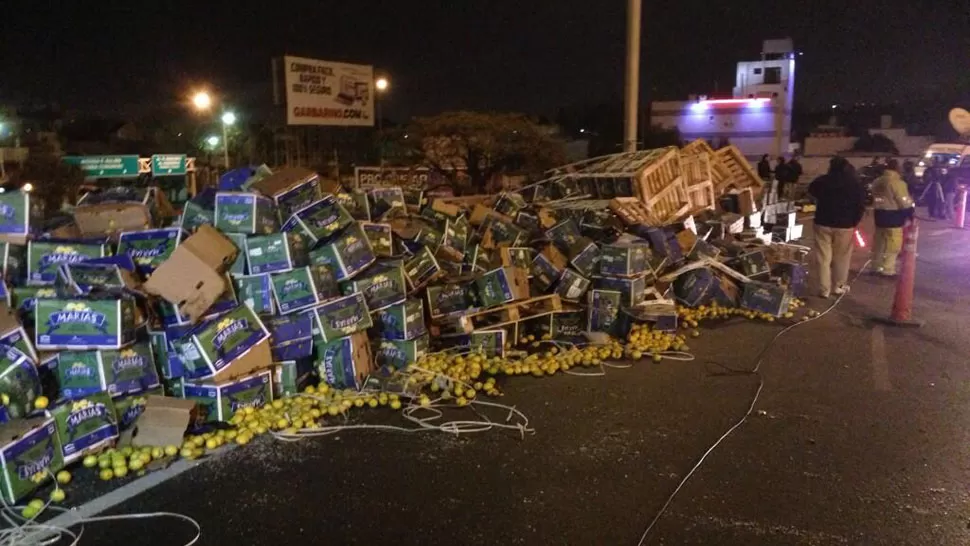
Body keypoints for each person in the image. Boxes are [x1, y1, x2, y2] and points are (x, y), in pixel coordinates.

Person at [808, 156, 868, 298]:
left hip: (822, 222)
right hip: (845, 225)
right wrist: (854, 221)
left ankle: (824, 290)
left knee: (823, 257)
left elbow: (811, 191)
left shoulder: (822, 181)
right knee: (842, 258)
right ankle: (839, 287)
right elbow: (860, 205)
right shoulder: (854, 183)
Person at [871, 159, 915, 276]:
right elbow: (903, 201)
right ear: (896, 168)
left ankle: (876, 266)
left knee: (879, 243)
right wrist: (910, 213)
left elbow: (874, 197)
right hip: (893, 216)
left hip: (879, 214)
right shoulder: (898, 183)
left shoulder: (877, 181)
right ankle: (888, 269)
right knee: (893, 243)